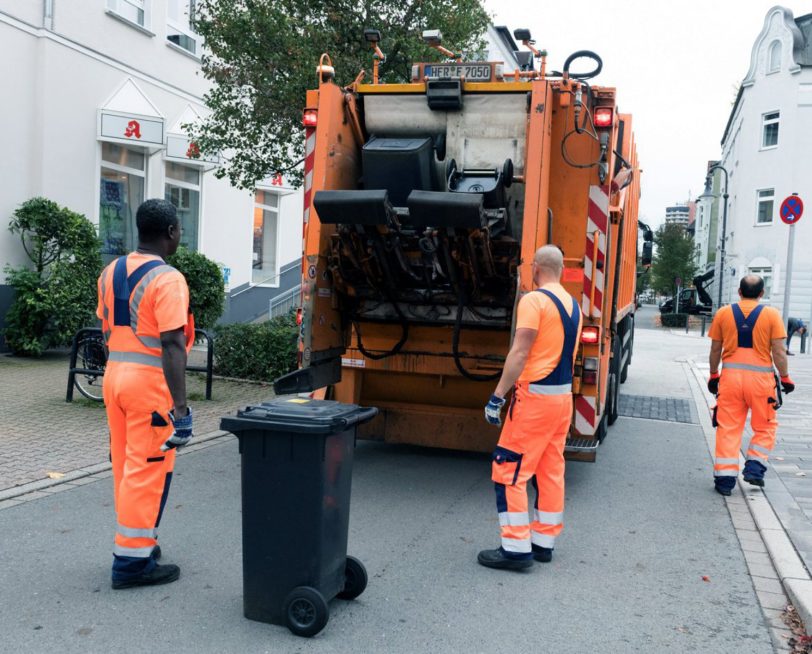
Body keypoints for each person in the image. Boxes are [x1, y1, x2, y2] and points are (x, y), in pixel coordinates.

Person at [97, 199, 196, 589]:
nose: (180, 236)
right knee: (146, 469)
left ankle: (137, 544)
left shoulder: (111, 271)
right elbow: (172, 343)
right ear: (171, 231)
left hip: (114, 378)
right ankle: (131, 565)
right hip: (148, 385)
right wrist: (183, 410)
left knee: (125, 465)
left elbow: (106, 328)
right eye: (179, 230)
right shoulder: (167, 279)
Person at [478, 245, 582, 570]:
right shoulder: (573, 305)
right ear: (562, 269)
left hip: (534, 399)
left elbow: (520, 352)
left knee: (509, 470)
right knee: (551, 471)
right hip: (561, 400)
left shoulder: (533, 301)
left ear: (536, 267)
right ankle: (543, 543)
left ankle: (515, 548)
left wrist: (497, 396)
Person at [706, 275, 794, 496]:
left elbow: (715, 349)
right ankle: (754, 468)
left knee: (728, 427)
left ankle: (725, 480)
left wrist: (713, 374)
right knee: (765, 426)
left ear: (739, 291)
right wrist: (785, 378)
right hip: (761, 383)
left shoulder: (724, 313)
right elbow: (779, 352)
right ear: (762, 294)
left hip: (730, 380)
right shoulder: (772, 315)